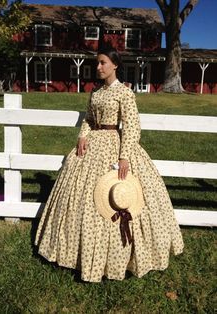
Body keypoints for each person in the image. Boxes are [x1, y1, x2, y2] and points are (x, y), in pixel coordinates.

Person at [35, 47, 184, 282]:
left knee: (115, 197)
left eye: (102, 63)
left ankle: (121, 258)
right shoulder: (96, 92)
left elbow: (132, 126)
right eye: (97, 63)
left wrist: (124, 156)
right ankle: (75, 252)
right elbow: (89, 118)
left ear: (115, 65)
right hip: (93, 144)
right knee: (82, 198)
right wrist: (83, 135)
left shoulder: (124, 93)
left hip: (115, 145)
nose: (98, 67)